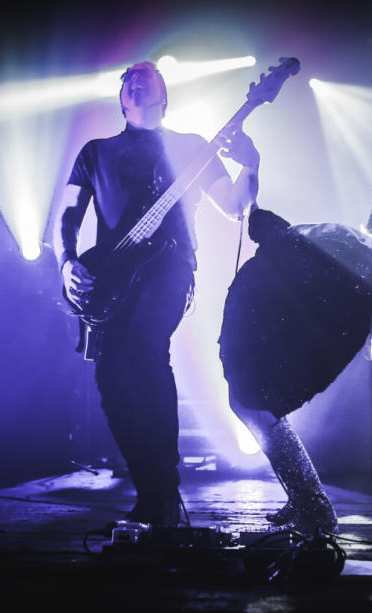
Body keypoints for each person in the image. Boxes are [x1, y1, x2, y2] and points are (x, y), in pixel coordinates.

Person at [57, 61, 261, 526]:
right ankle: (152, 490)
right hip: (109, 277)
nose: (137, 76)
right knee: (110, 382)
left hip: (170, 267)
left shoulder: (191, 148)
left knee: (147, 352)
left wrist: (250, 163)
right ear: (122, 100)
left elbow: (234, 207)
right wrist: (67, 262)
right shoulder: (95, 153)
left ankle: (165, 489)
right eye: (129, 77)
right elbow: (68, 214)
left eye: (148, 74)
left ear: (164, 94)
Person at [218, 178, 372, 532]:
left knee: (253, 406)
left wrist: (263, 221)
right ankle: (305, 499)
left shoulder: (365, 288)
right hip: (262, 316)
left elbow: (297, 258)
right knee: (253, 408)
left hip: (271, 329)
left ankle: (314, 509)